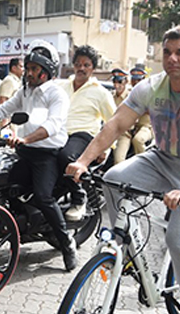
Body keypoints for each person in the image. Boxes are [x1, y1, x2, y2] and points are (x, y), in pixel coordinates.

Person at [67, 25, 180, 314]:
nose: (172, 59)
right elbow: (116, 125)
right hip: (160, 159)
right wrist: (83, 160)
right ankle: (135, 244)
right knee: (113, 178)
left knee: (179, 240)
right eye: (167, 52)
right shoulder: (150, 86)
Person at [0, 39, 77, 271]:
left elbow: (52, 125)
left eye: (33, 69)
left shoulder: (57, 95)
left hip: (47, 155)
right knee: (1, 185)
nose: (28, 72)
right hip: (24, 152)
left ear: (46, 71)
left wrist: (25, 139)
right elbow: (3, 109)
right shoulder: (25, 91)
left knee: (43, 197)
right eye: (28, 68)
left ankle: (67, 243)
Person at [57, 45, 116, 221]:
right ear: (73, 65)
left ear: (93, 68)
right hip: (59, 134)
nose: (81, 68)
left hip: (83, 136)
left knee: (65, 156)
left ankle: (79, 197)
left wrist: (106, 148)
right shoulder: (62, 86)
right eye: (78, 64)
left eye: (86, 65)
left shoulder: (101, 93)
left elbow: (114, 122)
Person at [112, 66, 154, 164]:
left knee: (138, 140)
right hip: (122, 129)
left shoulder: (149, 94)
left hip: (145, 127)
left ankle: (144, 165)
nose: (136, 82)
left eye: (139, 80)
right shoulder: (124, 95)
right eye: (134, 80)